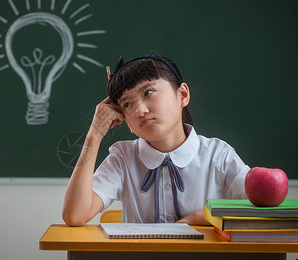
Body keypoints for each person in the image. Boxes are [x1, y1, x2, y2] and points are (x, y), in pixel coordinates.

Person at [62, 56, 250, 226]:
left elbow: (264, 212)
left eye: (148, 93)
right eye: (127, 104)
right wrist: (94, 134)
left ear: (182, 95)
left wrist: (201, 217)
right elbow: (75, 215)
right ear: (124, 120)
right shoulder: (123, 158)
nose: (140, 110)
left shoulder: (218, 155)